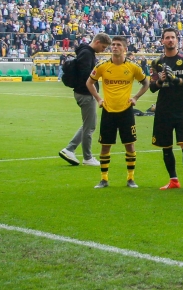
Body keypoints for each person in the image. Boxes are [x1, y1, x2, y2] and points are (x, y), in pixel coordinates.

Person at [88, 36, 150, 189]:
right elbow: (89, 82)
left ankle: (130, 178)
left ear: (125, 49)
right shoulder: (102, 66)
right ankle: (104, 179)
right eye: (113, 45)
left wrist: (135, 97)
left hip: (126, 111)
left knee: (129, 145)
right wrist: (98, 99)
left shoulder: (133, 67)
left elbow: (146, 83)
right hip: (108, 111)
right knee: (105, 146)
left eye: (118, 45)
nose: (114, 47)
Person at [150, 27, 183, 192]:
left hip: (181, 108)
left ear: (177, 40)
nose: (170, 40)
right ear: (162, 41)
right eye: (167, 38)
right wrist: (160, 81)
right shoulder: (157, 63)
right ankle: (173, 180)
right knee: (166, 146)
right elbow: (152, 86)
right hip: (163, 109)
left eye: (173, 37)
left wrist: (175, 79)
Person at [59, 32, 111, 167]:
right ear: (98, 42)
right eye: (104, 47)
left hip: (82, 92)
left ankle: (70, 149)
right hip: (86, 93)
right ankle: (86, 157)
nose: (103, 50)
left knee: (88, 124)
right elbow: (86, 74)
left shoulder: (84, 51)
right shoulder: (87, 54)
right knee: (90, 126)